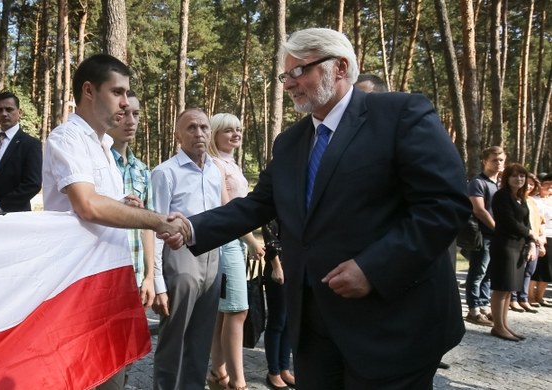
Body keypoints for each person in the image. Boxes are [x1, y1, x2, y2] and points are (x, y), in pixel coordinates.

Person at [179, 27, 469, 388]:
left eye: (299, 70)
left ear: (341, 67)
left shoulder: (401, 114)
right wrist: (189, 228)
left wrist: (373, 268)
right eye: (286, 75)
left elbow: (444, 206)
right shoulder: (290, 143)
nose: (288, 84)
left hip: (392, 324)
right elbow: (257, 205)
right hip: (315, 329)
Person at [42, 53, 189, 389]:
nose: (125, 103)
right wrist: (156, 221)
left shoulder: (105, 147)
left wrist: (124, 205)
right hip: (77, 287)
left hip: (109, 281)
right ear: (89, 91)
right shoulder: (68, 138)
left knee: (113, 376)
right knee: (84, 378)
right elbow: (88, 205)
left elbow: (99, 204)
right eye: (118, 92)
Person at [150, 108, 223, 390]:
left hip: (212, 257)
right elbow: (155, 228)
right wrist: (158, 282)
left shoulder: (215, 170)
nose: (199, 133)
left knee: (201, 336)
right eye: (191, 128)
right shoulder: (165, 173)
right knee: (174, 336)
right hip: (179, 257)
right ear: (177, 135)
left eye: (204, 127)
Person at [205, 113, 264, 390]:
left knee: (224, 313)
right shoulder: (215, 165)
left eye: (238, 129)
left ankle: (219, 372)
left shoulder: (232, 164)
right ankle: (238, 381)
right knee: (238, 310)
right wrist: (253, 241)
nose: (235, 134)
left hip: (234, 242)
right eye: (228, 130)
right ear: (215, 135)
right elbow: (228, 210)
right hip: (227, 243)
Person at [106, 90, 159, 307]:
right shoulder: (97, 164)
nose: (131, 121)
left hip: (136, 276)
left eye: (136, 114)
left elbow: (148, 226)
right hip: (104, 273)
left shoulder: (143, 171)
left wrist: (149, 276)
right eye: (124, 113)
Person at [488, 163, 537, 341]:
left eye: (522, 176)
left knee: (510, 288)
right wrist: (530, 233)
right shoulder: (501, 196)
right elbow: (508, 221)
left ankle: (505, 324)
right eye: (515, 176)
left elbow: (527, 223)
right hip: (504, 246)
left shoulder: (521, 198)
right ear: (507, 178)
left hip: (518, 246)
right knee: (501, 287)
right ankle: (497, 327)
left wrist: (531, 240)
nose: (519, 179)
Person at [465, 146, 506, 326]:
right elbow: (479, 210)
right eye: (494, 160)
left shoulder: (500, 184)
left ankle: (484, 306)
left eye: (501, 160)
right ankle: (473, 310)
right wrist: (497, 229)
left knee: (489, 273)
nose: (498, 163)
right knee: (478, 272)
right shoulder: (477, 182)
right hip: (483, 235)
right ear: (485, 161)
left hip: (497, 236)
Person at [261, 220, 295, 389]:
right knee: (277, 321)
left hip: (295, 266)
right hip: (278, 267)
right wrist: (276, 266)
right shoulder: (277, 199)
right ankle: (273, 372)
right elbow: (268, 233)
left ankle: (284, 369)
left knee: (289, 321)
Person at [511, 173, 543, 313]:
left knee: (529, 270)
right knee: (517, 269)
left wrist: (540, 241)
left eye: (532, 184)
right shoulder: (516, 199)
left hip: (534, 240)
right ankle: (513, 298)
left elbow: (539, 222)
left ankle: (523, 298)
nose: (529, 186)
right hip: (521, 239)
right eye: (527, 183)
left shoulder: (533, 201)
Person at [530, 173, 552, 307]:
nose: (549, 187)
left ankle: (540, 296)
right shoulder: (534, 200)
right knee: (536, 268)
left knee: (549, 269)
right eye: (547, 184)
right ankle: (530, 296)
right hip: (540, 235)